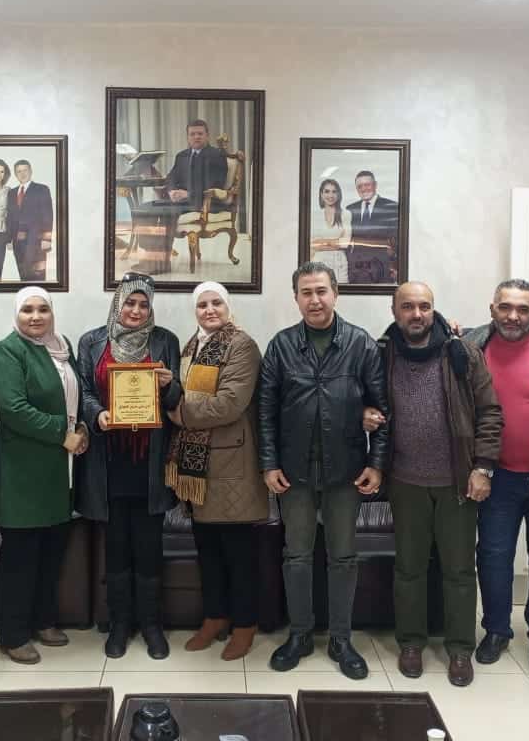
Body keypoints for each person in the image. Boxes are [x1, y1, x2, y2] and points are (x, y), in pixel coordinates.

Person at [258, 261, 387, 680]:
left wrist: (376, 464)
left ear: (336, 294)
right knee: (296, 555)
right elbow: (265, 412)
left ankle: (341, 639)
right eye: (306, 293)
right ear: (296, 298)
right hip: (293, 471)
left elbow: (381, 410)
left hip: (345, 470)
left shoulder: (360, 344)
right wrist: (269, 463)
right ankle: (299, 635)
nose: (314, 300)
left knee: (343, 557)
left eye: (321, 291)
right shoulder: (281, 346)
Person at [373, 281, 502, 686]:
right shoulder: (381, 353)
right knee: (409, 569)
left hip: (457, 483)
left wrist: (483, 468)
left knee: (459, 570)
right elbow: (365, 400)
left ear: (434, 310)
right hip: (404, 481)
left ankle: (460, 649)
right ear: (395, 311)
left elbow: (490, 412)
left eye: (424, 306)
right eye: (408, 306)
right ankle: (411, 643)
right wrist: (364, 413)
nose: (417, 314)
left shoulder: (462, 353)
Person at [76, 273, 182, 660]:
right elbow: (84, 390)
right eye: (129, 303)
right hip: (108, 462)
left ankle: (152, 625)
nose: (136, 311)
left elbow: (176, 398)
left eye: (143, 304)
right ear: (117, 304)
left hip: (149, 463)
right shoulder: (92, 341)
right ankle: (119, 624)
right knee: (117, 547)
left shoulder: (165, 340)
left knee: (149, 547)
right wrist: (98, 414)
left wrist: (169, 385)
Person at [464, 279, 529, 672]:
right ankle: (496, 630)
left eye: (523, 309)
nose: (513, 316)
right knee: (493, 555)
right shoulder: (472, 344)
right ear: (492, 308)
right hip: (494, 475)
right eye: (505, 307)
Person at [165, 281, 267, 661]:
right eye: (202, 304)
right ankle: (215, 617)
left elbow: (229, 404)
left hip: (232, 465)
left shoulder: (242, 346)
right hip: (197, 467)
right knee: (207, 551)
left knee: (238, 555)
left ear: (228, 306)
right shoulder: (192, 346)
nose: (209, 310)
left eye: (216, 303)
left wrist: (177, 409)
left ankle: (245, 625)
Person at [0, 287, 88, 664]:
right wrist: (63, 433)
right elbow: (13, 408)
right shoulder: (7, 351)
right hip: (23, 472)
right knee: (20, 558)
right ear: (17, 314)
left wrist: (81, 429)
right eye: (27, 309)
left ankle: (44, 620)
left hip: (59, 472)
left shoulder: (61, 348)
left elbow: (74, 398)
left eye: (42, 309)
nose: (35, 316)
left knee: (50, 553)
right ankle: (13, 635)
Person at [345, 170, 400, 283]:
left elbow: (399, 241)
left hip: (383, 269)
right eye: (360, 186)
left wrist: (396, 266)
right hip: (356, 270)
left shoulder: (392, 207)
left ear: (375, 185)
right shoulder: (350, 209)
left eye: (367, 184)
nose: (363, 189)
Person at [164, 119, 228, 212]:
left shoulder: (216, 155)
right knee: (148, 209)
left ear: (207, 136)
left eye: (200, 134)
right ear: (187, 137)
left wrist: (189, 194)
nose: (196, 137)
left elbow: (215, 184)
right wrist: (172, 191)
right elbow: (171, 177)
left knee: (167, 214)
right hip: (182, 203)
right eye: (192, 134)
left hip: (205, 203)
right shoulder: (181, 156)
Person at [6, 159, 54, 282]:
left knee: (37, 276)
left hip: (36, 241)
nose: (22, 174)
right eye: (19, 171)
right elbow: (9, 217)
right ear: (15, 174)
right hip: (18, 243)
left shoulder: (41, 189)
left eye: (25, 170)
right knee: (24, 275)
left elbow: (47, 215)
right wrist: (9, 239)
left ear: (31, 171)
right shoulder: (11, 193)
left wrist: (47, 239)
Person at [309, 178, 351, 284]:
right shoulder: (314, 215)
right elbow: (312, 244)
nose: (330, 195)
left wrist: (321, 242)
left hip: (339, 263)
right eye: (327, 191)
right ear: (321, 194)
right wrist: (336, 242)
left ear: (338, 194)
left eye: (334, 191)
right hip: (318, 263)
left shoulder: (346, 214)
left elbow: (345, 243)